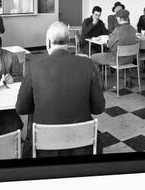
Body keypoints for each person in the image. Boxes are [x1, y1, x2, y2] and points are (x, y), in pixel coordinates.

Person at [16, 22, 106, 157]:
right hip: (82, 144)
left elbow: (22, 108)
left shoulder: (33, 67)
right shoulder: (88, 65)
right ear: (68, 41)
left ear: (47, 43)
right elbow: (98, 108)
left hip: (44, 147)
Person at [91, 9, 137, 88]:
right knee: (124, 55)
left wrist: (107, 39)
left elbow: (109, 44)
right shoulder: (133, 29)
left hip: (117, 59)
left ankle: (99, 85)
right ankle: (128, 80)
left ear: (118, 18)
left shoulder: (117, 30)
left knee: (93, 57)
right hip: (130, 59)